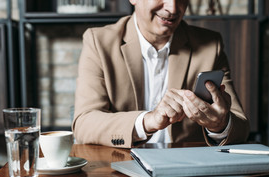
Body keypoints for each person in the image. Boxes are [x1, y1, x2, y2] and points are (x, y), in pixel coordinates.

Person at [73, 0, 249, 148]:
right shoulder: (98, 42)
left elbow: (240, 126)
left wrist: (220, 126)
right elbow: (84, 123)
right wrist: (148, 121)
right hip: (120, 168)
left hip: (186, 173)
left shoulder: (211, 45)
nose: (172, 8)